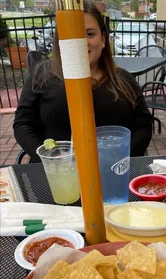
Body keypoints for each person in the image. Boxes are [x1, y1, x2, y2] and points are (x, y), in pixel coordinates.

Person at [13, 1, 152, 163]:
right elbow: (23, 124)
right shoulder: (42, 76)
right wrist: (50, 159)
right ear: (60, 40)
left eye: (90, 34)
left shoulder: (124, 80)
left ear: (103, 39)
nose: (80, 41)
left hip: (114, 172)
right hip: (59, 176)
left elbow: (144, 124)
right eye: (73, 33)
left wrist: (121, 157)